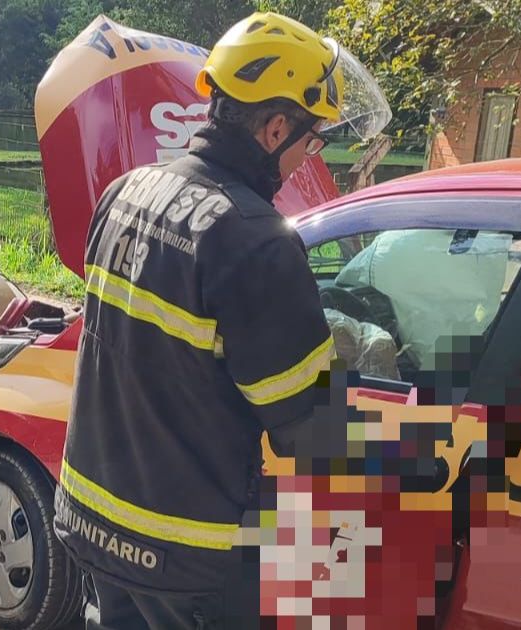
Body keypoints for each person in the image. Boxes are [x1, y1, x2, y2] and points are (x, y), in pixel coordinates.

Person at [52, 11, 390, 629]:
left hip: (93, 520)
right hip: (187, 552)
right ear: (276, 128)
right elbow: (310, 429)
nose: (306, 160)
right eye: (311, 141)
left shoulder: (125, 191)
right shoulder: (255, 240)